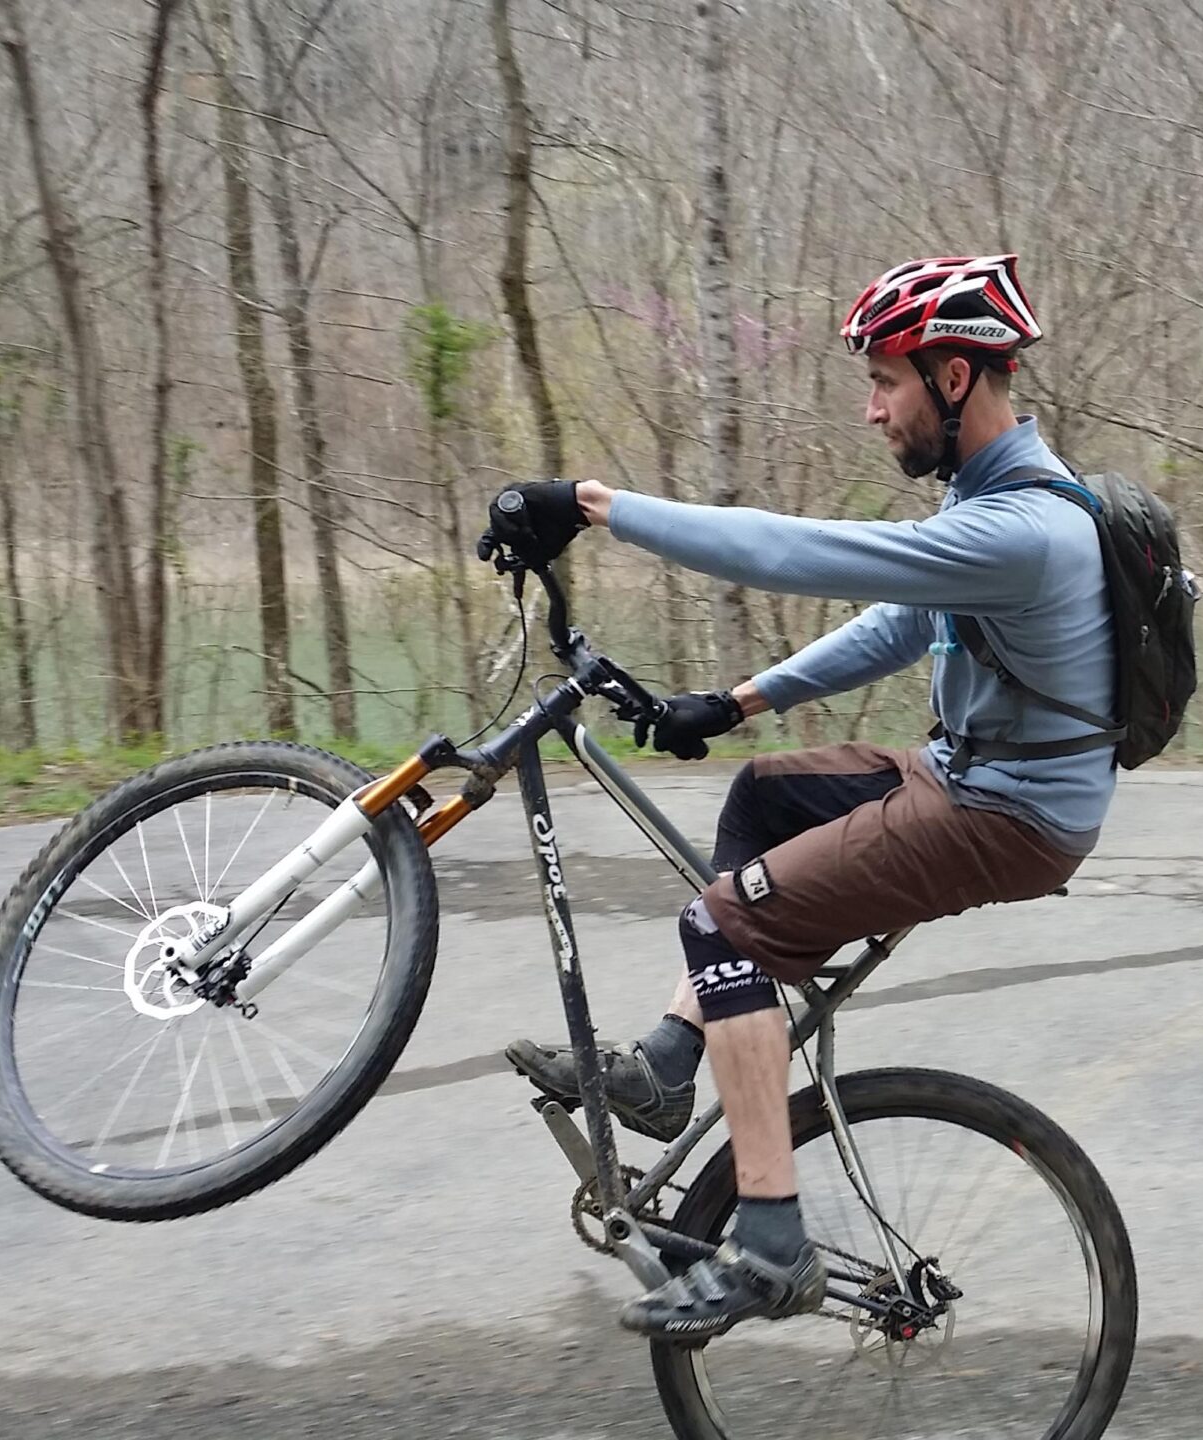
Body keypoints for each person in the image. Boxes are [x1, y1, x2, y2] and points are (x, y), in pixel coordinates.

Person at [479, 254, 1119, 1340]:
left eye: (886, 381)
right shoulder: (993, 502)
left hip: (1008, 817)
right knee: (764, 805)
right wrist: (732, 704)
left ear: (954, 376)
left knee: (719, 918)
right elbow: (901, 625)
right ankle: (672, 1068)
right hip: (967, 774)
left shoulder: (1022, 530)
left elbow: (794, 552)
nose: (873, 410)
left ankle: (771, 1241)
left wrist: (596, 506)